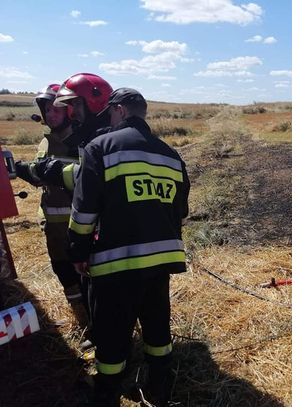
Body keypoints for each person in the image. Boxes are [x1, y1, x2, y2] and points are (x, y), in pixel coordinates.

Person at [68, 88, 190, 406]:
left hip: (115, 264)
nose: (109, 119)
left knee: (111, 335)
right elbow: (181, 210)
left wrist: (78, 253)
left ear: (120, 111)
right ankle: (160, 386)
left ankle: (107, 393)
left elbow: (84, 213)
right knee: (157, 328)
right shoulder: (171, 155)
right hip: (161, 263)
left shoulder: (101, 148)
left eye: (110, 113)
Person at [14, 84, 89, 327]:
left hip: (79, 227)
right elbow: (39, 178)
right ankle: (82, 323)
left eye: (56, 109)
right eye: (47, 110)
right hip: (53, 227)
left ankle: (97, 326)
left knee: (86, 278)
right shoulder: (45, 143)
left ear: (69, 111)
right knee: (64, 274)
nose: (50, 115)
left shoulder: (84, 143)